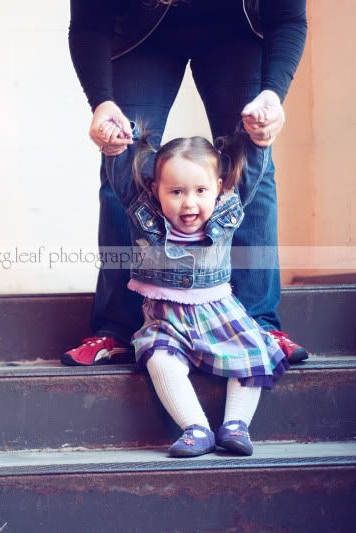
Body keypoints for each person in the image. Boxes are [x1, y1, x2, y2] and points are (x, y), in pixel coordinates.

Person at [62, 0, 309, 367]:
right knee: (120, 153)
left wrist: (273, 93)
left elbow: (288, 18)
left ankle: (259, 322)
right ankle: (115, 328)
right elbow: (89, 25)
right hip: (141, 37)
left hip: (236, 31)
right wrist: (101, 102)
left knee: (253, 155)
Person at [106, 122, 288, 456]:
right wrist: (116, 148)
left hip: (219, 312)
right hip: (165, 320)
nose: (189, 203)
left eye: (200, 191)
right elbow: (120, 179)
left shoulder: (227, 209)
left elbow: (253, 174)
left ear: (218, 188)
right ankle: (196, 428)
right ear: (155, 189)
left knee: (253, 354)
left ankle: (236, 425)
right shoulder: (144, 213)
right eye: (176, 192)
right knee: (158, 359)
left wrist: (259, 142)